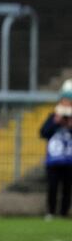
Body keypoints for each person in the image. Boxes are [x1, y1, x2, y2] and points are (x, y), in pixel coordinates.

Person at [39, 78, 72, 220]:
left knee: (67, 189)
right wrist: (55, 122)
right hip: (54, 159)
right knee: (52, 187)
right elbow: (43, 132)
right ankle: (51, 212)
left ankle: (64, 213)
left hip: (69, 159)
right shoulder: (53, 116)